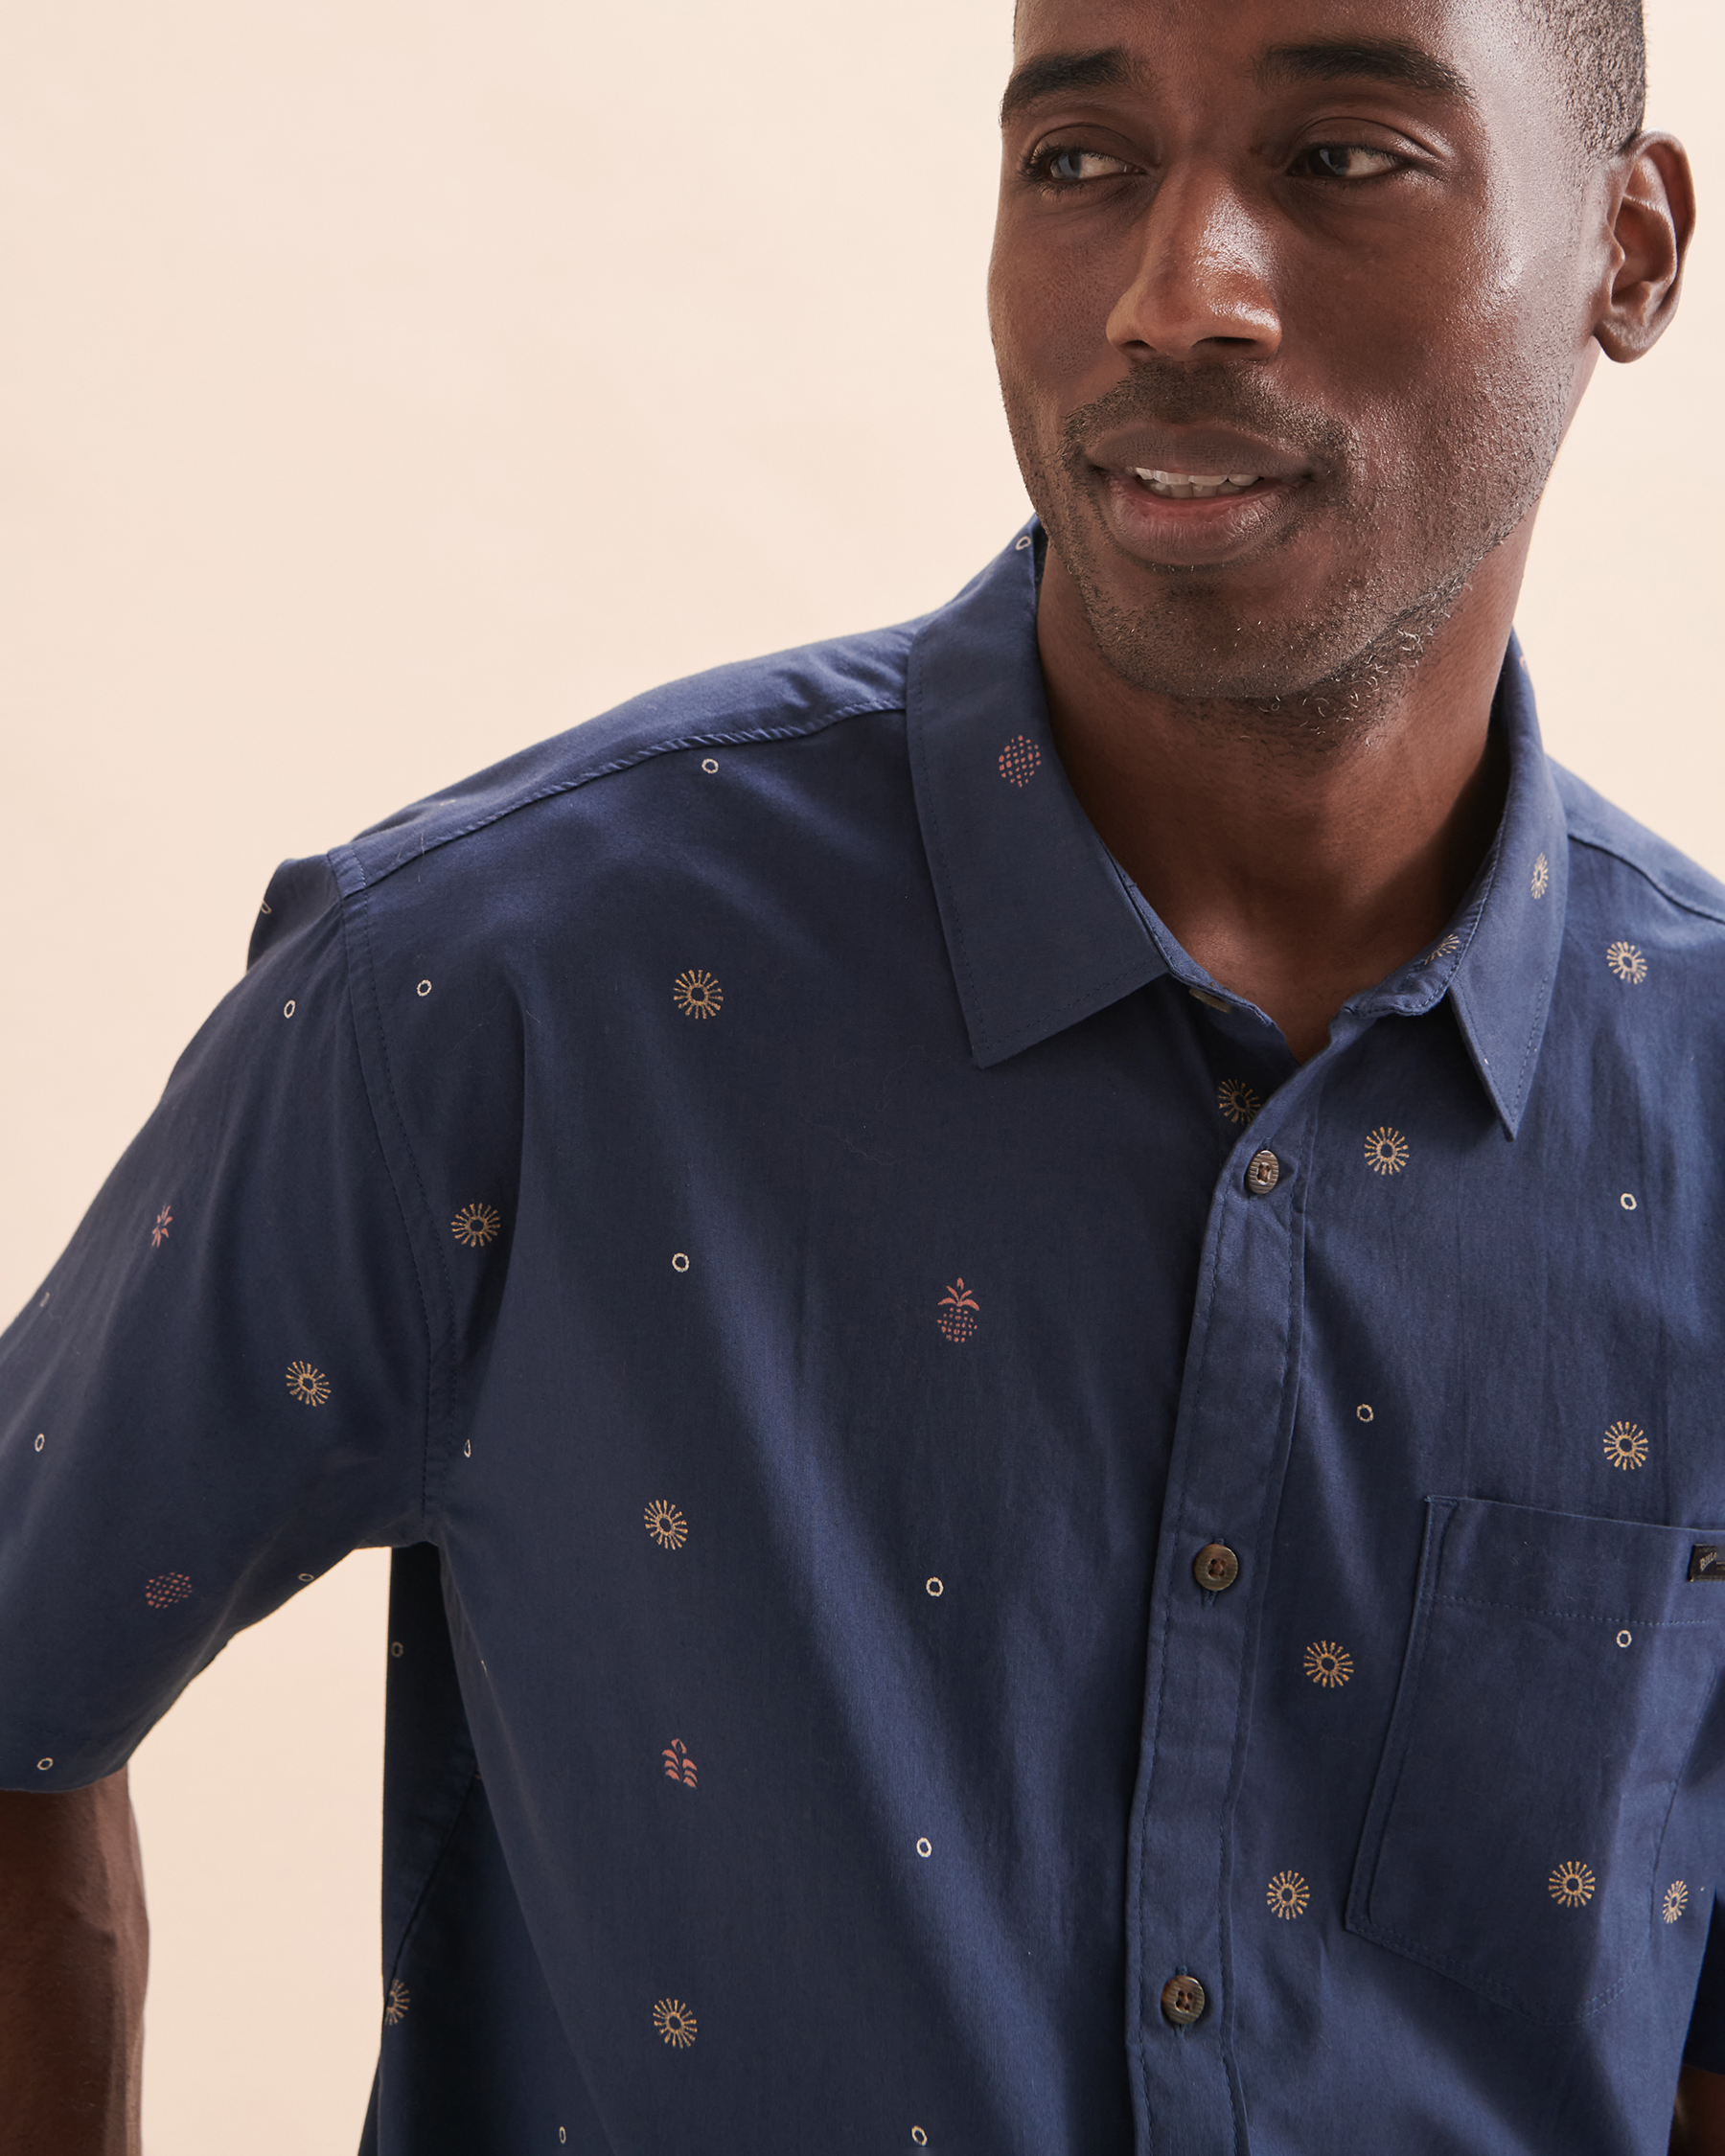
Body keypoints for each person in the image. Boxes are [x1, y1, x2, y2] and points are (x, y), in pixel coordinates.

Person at [1, 0, 1716, 2147]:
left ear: (1629, 248)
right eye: (1080, 162)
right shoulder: (501, 995)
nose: (1176, 291)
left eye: (1344, 158)